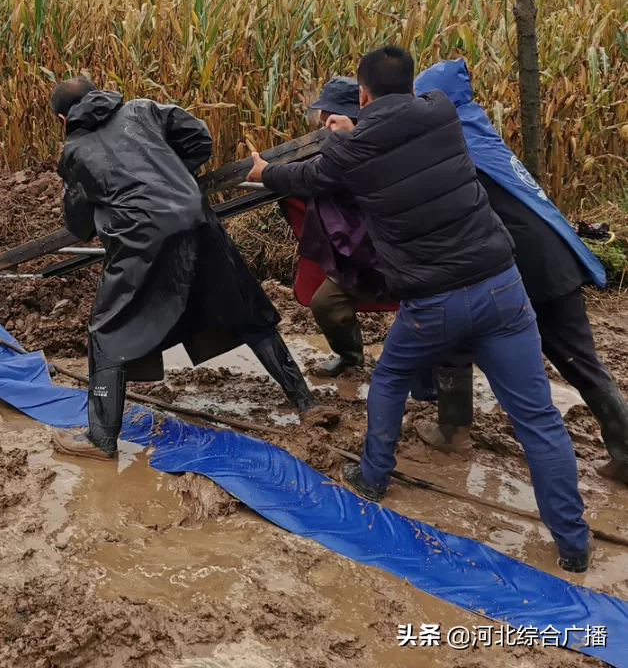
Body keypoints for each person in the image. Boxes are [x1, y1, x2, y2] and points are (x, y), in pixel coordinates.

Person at [248, 46, 591, 573]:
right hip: (503, 287)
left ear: (361, 95)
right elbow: (413, 110)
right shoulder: (441, 112)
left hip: (433, 301)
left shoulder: (350, 151)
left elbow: (302, 179)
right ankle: (573, 546)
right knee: (538, 417)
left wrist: (262, 171)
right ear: (411, 85)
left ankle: (372, 478)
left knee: (389, 378)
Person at [49, 76, 333, 462]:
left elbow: (79, 225)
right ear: (100, 94)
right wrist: (171, 174)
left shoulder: (74, 150)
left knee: (107, 331)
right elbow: (199, 138)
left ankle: (100, 440)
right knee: (243, 307)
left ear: (64, 120)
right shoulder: (143, 110)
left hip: (140, 240)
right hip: (196, 221)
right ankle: (306, 402)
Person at [411, 59, 628, 483]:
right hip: (554, 257)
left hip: (525, 266)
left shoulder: (451, 144)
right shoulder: (477, 130)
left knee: (452, 333)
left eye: (423, 101)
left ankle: (453, 431)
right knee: (579, 359)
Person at [280, 77, 393, 376]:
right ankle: (351, 358)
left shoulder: (384, 144)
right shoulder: (330, 147)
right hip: (358, 253)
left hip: (400, 253)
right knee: (326, 304)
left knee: (429, 316)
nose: (320, 121)